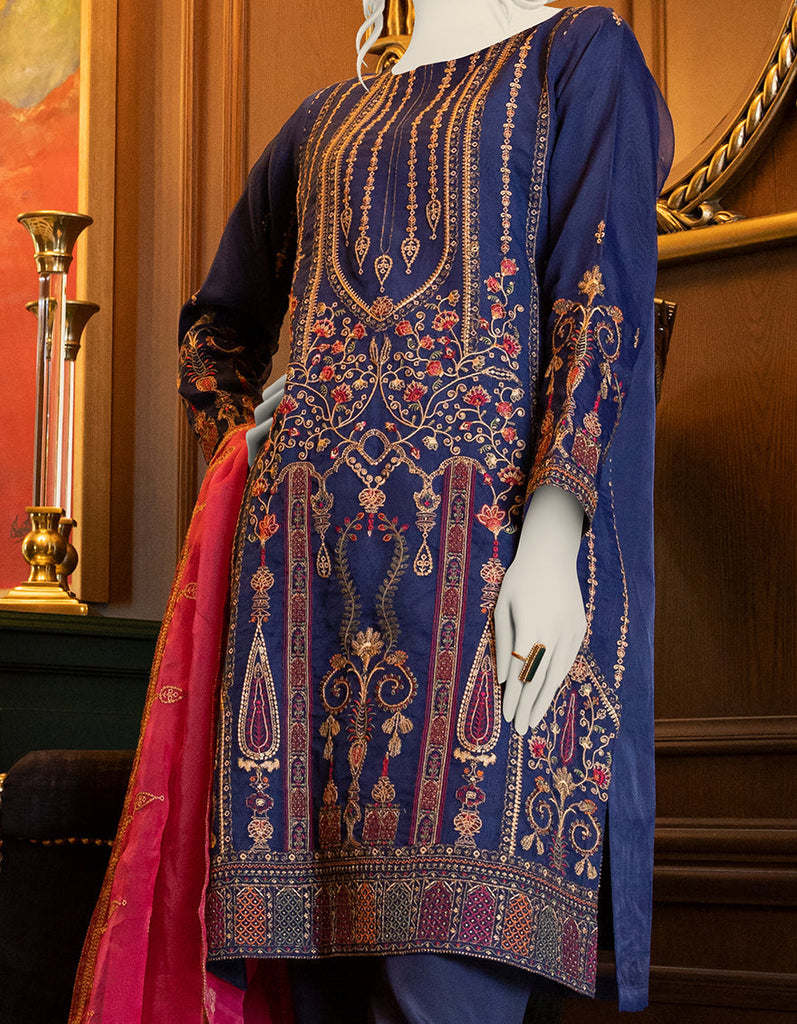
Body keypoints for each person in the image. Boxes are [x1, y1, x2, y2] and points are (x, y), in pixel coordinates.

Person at [69, 3, 672, 1022]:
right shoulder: (322, 121)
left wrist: (554, 534)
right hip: (301, 628)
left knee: (446, 983)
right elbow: (214, 331)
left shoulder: (578, 57)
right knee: (319, 997)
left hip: (490, 601)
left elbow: (598, 298)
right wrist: (248, 433)